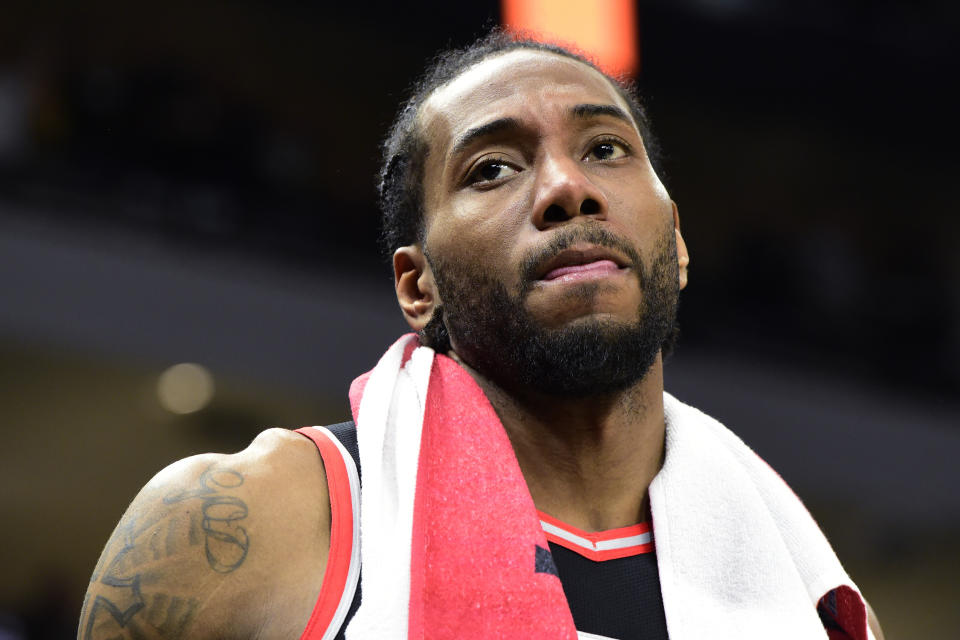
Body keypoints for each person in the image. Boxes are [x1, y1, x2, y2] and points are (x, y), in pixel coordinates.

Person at [79, 32, 884, 640]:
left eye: (605, 149)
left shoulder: (810, 596)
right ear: (416, 285)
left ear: (674, 244)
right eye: (492, 168)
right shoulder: (247, 527)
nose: (569, 188)